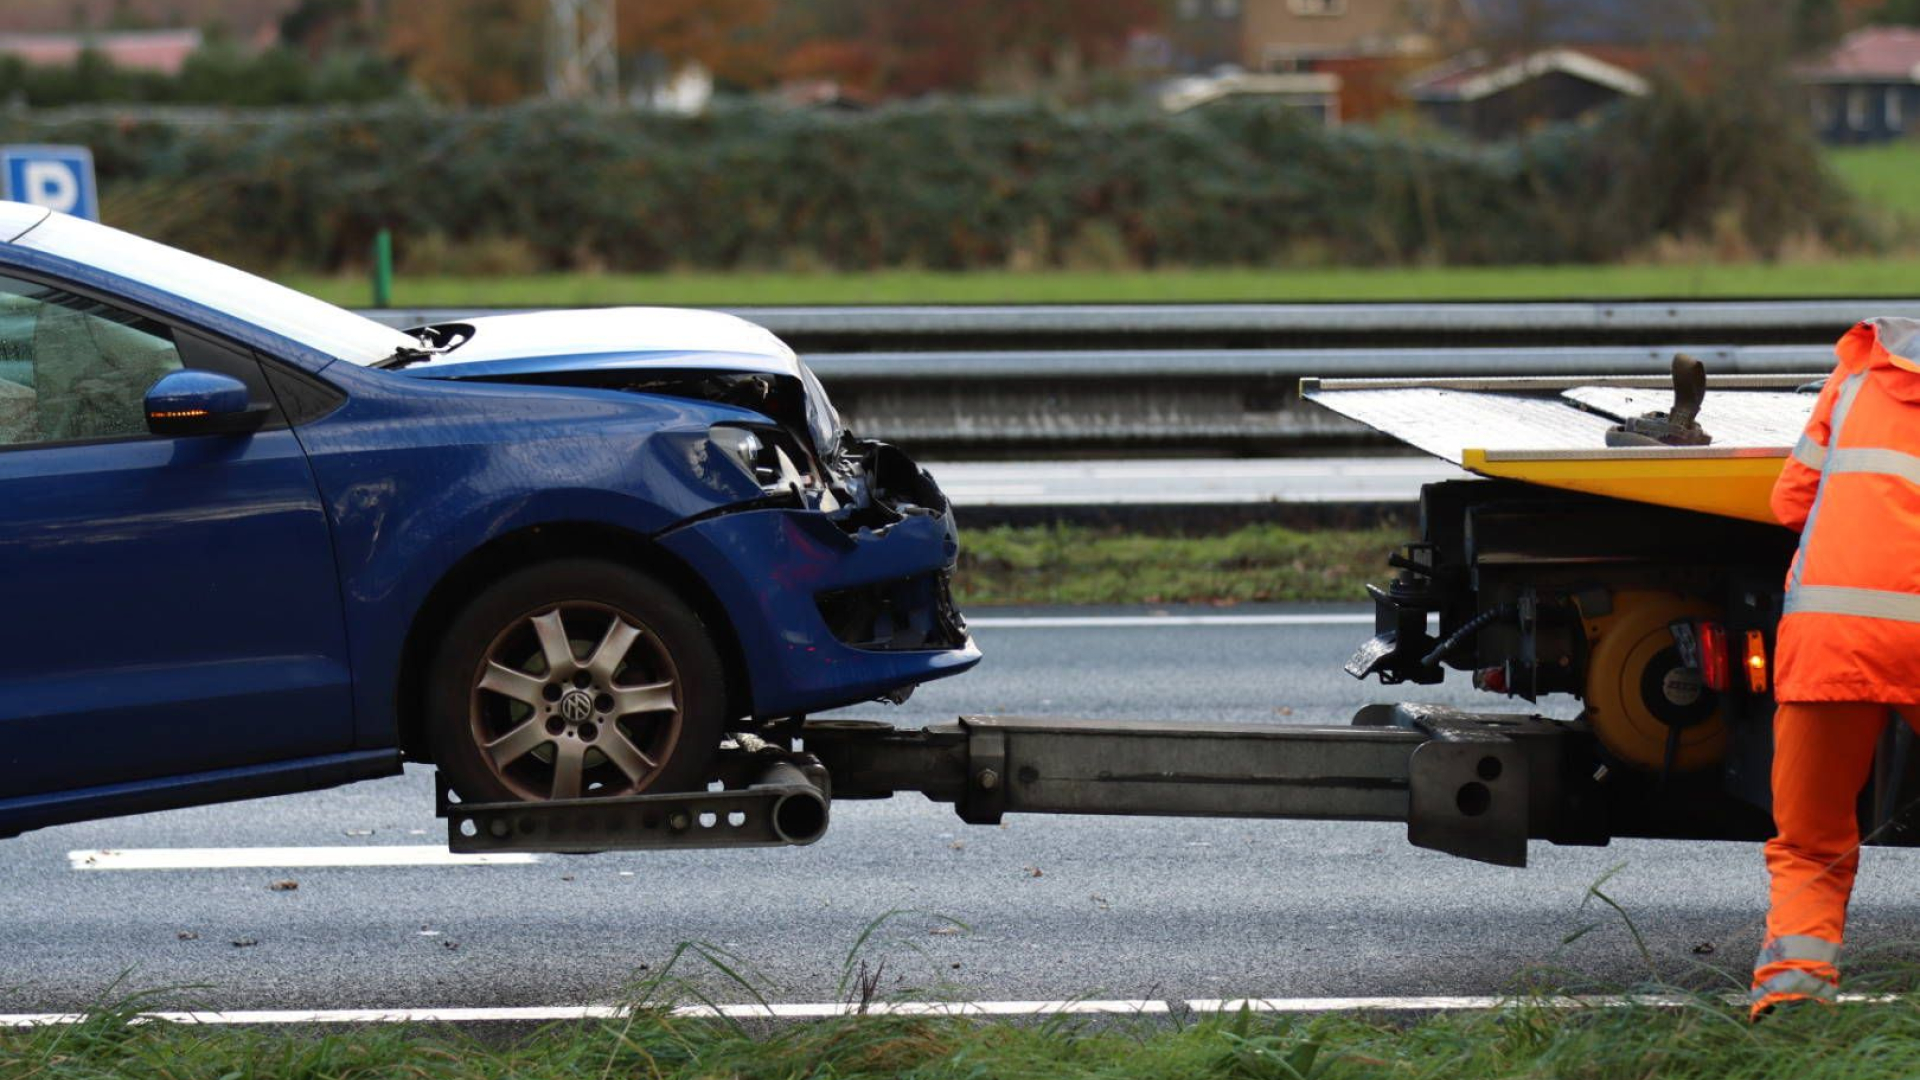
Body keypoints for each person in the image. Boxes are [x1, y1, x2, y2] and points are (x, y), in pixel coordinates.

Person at [1754, 317, 1920, 1018]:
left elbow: (1790, 501)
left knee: (1812, 841)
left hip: (1833, 639)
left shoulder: (1854, 379)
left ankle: (1793, 995)